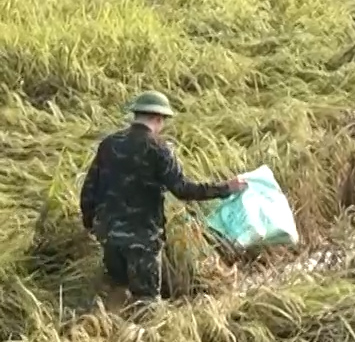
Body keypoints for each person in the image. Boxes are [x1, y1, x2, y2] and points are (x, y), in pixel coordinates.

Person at [79, 92, 244, 307]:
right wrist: (226, 188)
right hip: (143, 240)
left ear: (136, 114)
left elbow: (89, 187)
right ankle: (145, 338)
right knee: (147, 300)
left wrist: (90, 222)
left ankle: (106, 331)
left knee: (117, 287)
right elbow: (183, 189)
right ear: (158, 119)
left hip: (110, 236)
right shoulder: (159, 149)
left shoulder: (109, 144)